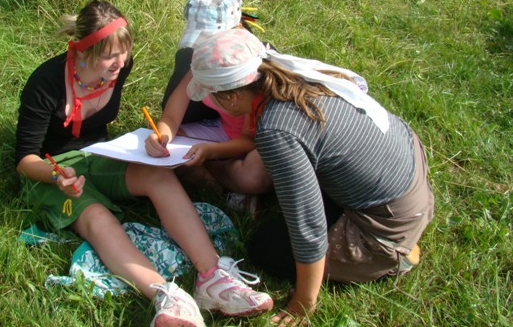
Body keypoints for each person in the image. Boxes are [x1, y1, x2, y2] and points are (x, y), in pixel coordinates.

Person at [15, 0, 273, 327]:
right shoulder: (45, 83)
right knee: (97, 217)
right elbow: (24, 160)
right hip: (52, 169)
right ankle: (166, 296)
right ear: (82, 50)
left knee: (159, 176)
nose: (120, 62)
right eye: (110, 56)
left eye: (124, 52)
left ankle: (213, 276)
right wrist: (56, 176)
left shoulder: (120, 67)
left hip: (100, 154)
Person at [185, 28, 435, 326]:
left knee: (267, 250)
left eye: (212, 96)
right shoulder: (292, 74)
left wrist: (303, 301)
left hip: (386, 223)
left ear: (231, 96)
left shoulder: (277, 130)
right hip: (409, 175)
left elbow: (307, 225)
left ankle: (394, 256)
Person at [146, 0, 272, 202]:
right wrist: (161, 137)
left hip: (253, 142)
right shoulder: (203, 59)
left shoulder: (249, 70)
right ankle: (227, 193)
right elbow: (172, 116)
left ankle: (213, 178)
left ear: (237, 29)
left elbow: (248, 139)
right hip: (222, 132)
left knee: (254, 176)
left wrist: (211, 152)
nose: (201, 48)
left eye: (208, 40)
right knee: (161, 147)